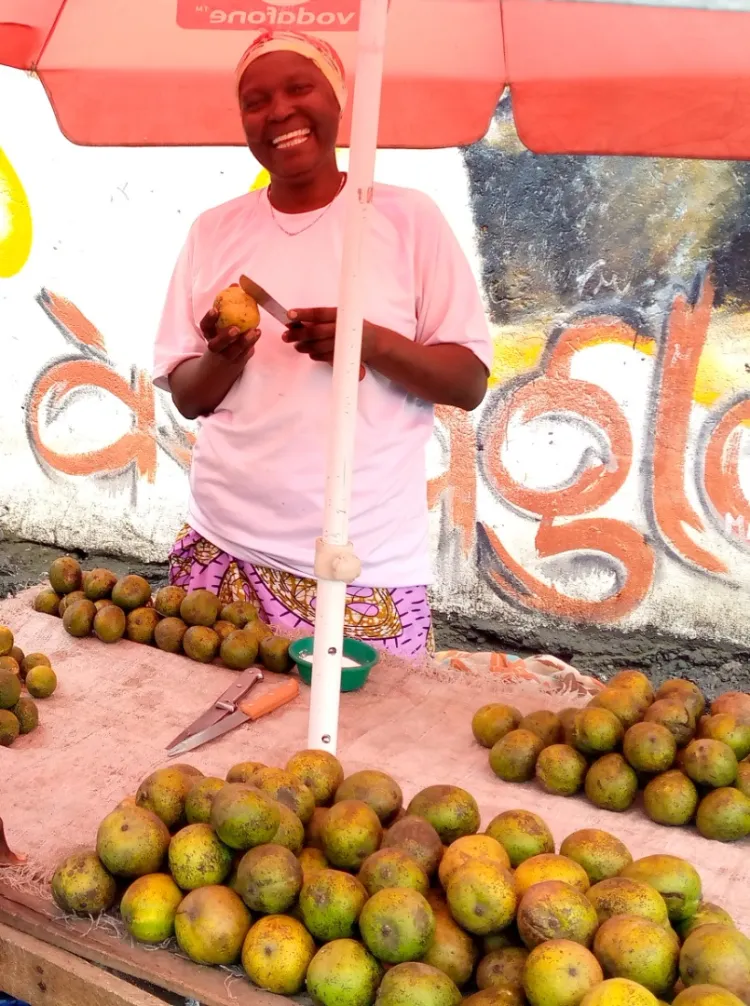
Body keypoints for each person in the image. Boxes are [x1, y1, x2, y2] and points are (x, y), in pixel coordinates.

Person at [153, 30, 492, 657]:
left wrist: (371, 343)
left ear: (338, 100)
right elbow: (188, 398)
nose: (278, 111)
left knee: (368, 722)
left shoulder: (407, 220)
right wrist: (222, 358)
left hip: (360, 563)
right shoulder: (214, 230)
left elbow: (468, 382)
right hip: (220, 545)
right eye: (255, 101)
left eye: (299, 88)